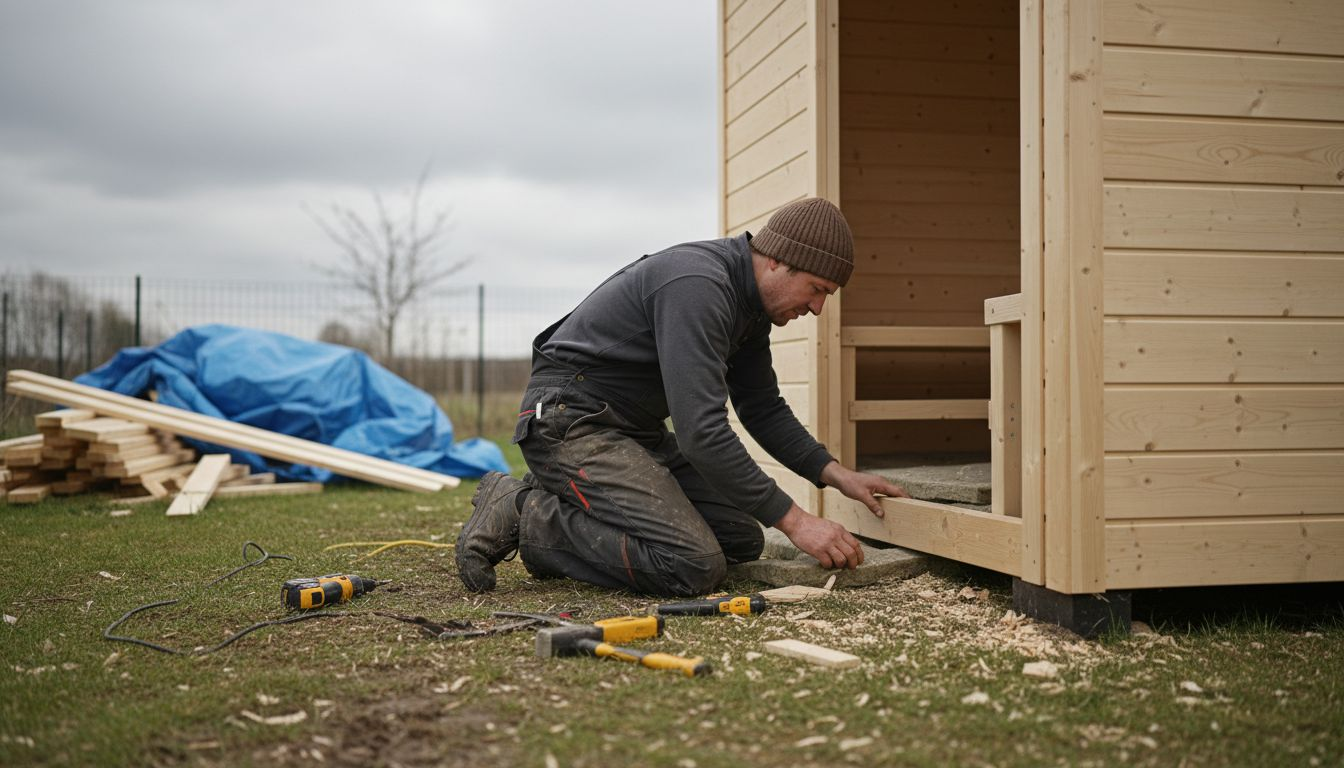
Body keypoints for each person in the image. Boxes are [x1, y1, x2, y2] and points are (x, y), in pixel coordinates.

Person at [456, 197, 908, 596]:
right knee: (692, 564)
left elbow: (762, 408)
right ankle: (524, 512)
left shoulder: (750, 311)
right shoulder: (698, 285)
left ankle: (566, 502)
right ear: (777, 261)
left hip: (629, 429)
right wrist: (797, 522)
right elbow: (702, 433)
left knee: (739, 539)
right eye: (816, 290)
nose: (817, 309)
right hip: (568, 422)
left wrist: (835, 474)